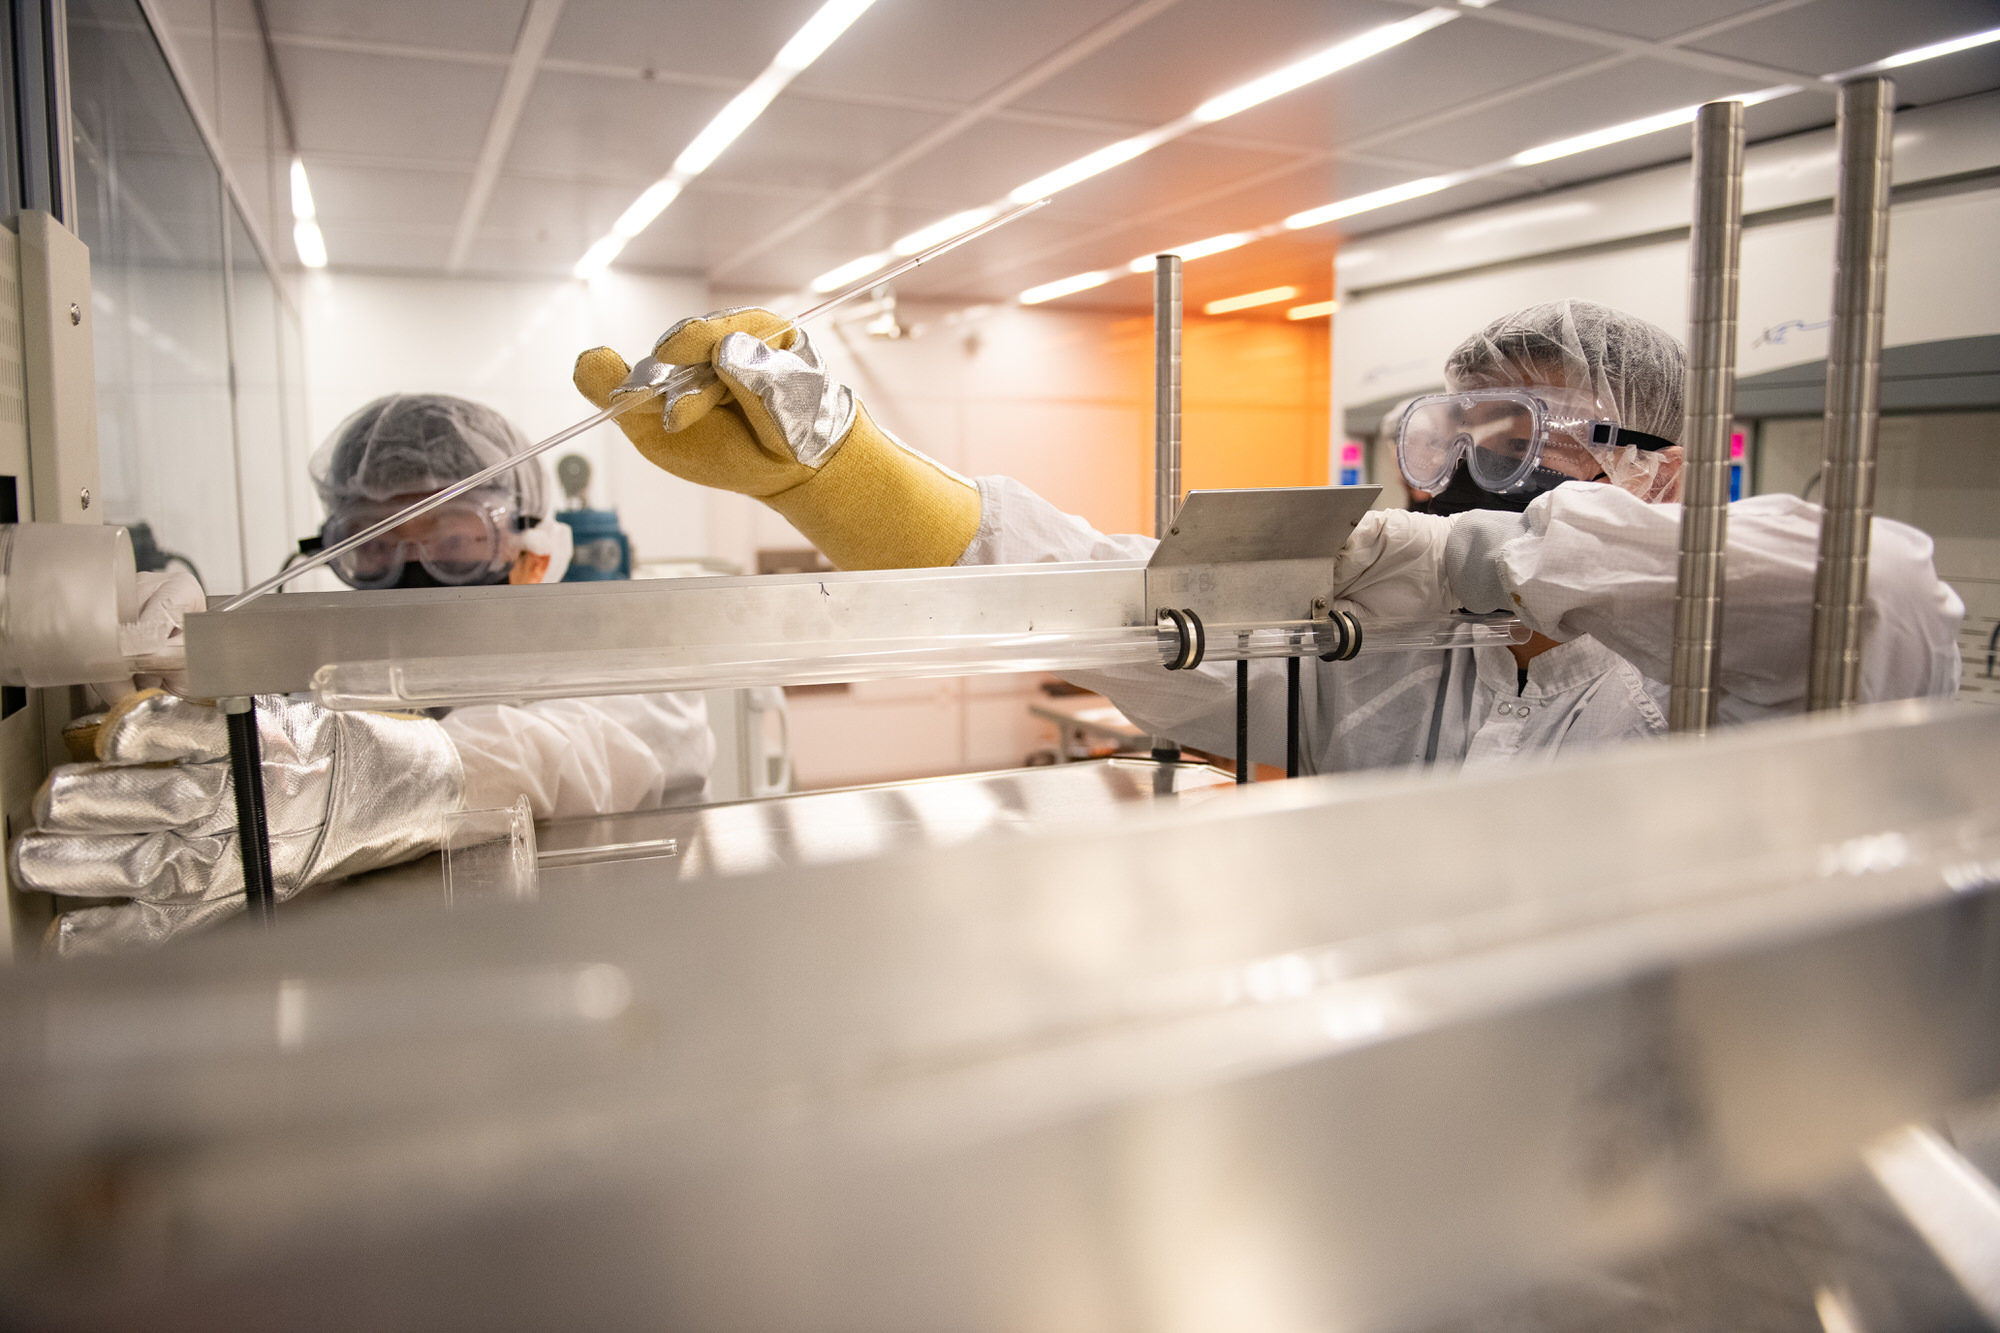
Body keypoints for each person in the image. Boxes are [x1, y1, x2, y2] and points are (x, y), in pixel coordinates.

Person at [571, 299, 1962, 775]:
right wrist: (840, 476)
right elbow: (1110, 603)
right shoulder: (1388, 658)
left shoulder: (1733, 673)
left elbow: (1884, 594)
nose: (1497, 470)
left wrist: (1490, 555)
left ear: (1664, 481)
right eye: (1475, 433)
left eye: (1552, 438)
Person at [13, 394, 715, 956]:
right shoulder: (325, 681)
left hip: (588, 966)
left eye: (453, 538)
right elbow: (252, 763)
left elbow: (602, 750)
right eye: (374, 545)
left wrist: (398, 776)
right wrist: (165, 689)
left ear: (531, 545)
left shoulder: (605, 655)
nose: (413, 568)